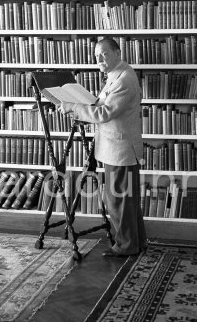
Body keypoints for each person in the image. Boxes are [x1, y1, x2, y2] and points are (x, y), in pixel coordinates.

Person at [58, 37, 148, 257]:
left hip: (121, 150)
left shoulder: (124, 78)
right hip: (115, 148)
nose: (98, 59)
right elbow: (103, 106)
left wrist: (73, 107)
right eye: (96, 55)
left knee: (119, 201)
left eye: (104, 54)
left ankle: (126, 246)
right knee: (127, 201)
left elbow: (105, 113)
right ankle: (136, 243)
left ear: (118, 53)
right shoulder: (116, 74)